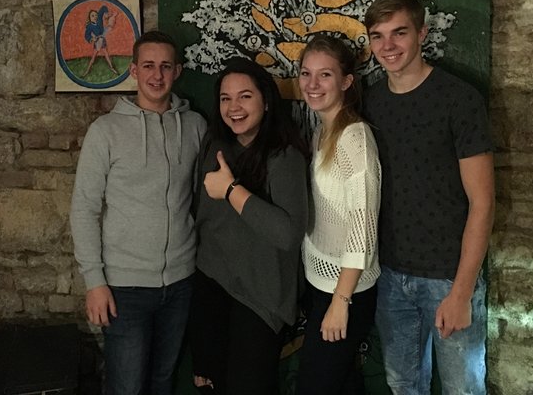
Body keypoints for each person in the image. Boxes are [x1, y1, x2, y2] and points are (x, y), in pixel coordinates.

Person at [362, 0, 495, 395]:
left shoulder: (459, 99)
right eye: (378, 36)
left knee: (462, 389)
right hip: (389, 274)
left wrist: (462, 291)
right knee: (403, 386)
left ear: (421, 33)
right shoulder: (370, 102)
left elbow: (483, 202)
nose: (388, 45)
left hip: (448, 275)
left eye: (399, 33)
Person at [70, 30, 207, 395]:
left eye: (165, 66)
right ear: (133, 70)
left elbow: (202, 197)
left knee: (162, 383)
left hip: (180, 283)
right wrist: (94, 282)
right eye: (148, 66)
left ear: (177, 71)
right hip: (125, 287)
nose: (156, 75)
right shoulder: (105, 132)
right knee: (126, 388)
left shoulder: (195, 126)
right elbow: (84, 208)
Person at [188, 57, 308, 395]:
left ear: (266, 101)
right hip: (211, 284)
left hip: (260, 296)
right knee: (210, 384)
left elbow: (288, 234)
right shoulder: (214, 146)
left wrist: (231, 190)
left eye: (245, 96)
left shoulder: (284, 155)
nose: (234, 107)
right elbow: (202, 218)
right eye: (225, 98)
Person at [295, 35, 381, 395]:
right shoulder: (322, 130)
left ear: (346, 82)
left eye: (325, 75)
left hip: (346, 291)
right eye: (306, 73)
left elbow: (363, 231)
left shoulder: (354, 139)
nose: (312, 84)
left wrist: (340, 302)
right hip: (320, 283)